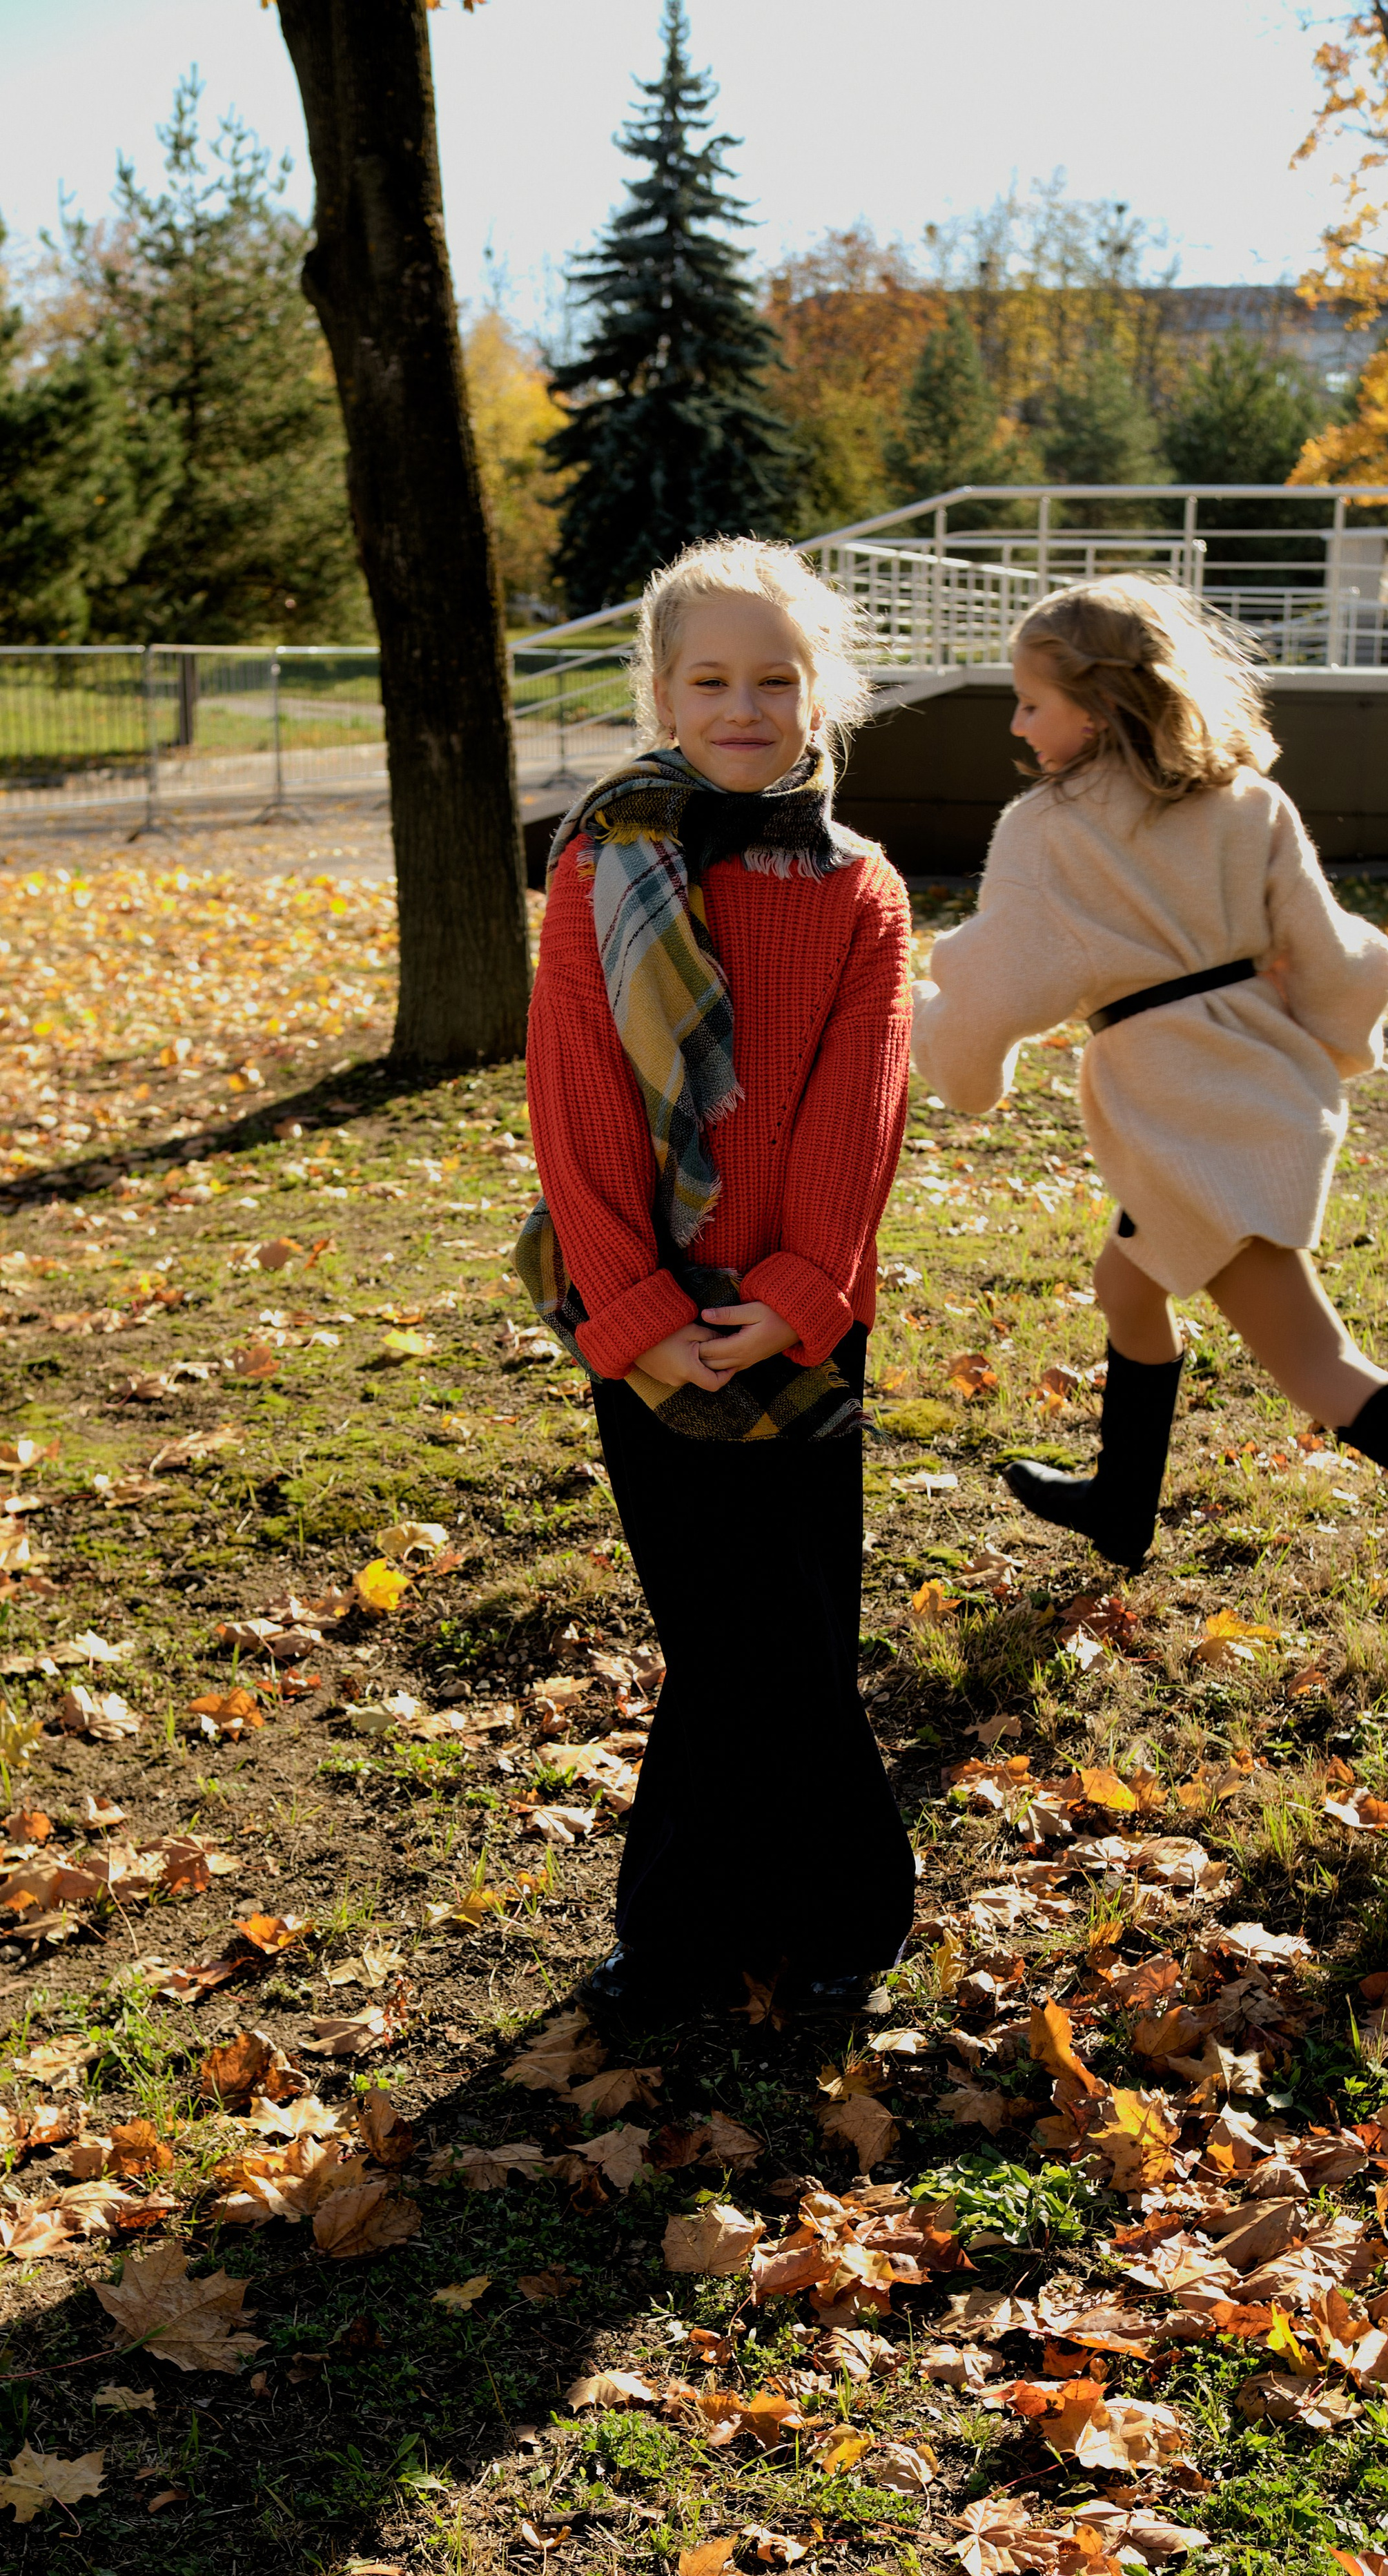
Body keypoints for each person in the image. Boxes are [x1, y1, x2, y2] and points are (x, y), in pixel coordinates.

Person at [910, 574, 1388, 1658]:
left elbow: (1006, 984)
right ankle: (1120, 1504)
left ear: (1096, 708)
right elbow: (1332, 955)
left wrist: (940, 1040)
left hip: (1194, 1112)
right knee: (1125, 1283)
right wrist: (1331, 1033)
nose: (1016, 723)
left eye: (1030, 702)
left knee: (1316, 1364)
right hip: (1258, 1079)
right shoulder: (1247, 799)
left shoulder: (1048, 828)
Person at [523, 537, 916, 2025]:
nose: (742, 705)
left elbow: (856, 1105)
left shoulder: (858, 890)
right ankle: (686, 1930)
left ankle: (836, 1916)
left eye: (775, 678)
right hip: (648, 1319)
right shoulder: (599, 860)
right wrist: (633, 1313)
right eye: (711, 679)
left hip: (802, 1321)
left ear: (820, 699)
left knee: (801, 1618)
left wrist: (809, 1288)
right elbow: (575, 1096)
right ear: (661, 692)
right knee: (710, 1625)